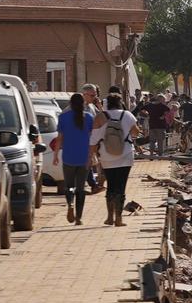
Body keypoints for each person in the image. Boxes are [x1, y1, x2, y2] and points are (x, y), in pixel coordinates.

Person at [50, 92, 95, 224]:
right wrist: (93, 155)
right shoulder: (89, 117)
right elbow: (92, 138)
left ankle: (70, 203)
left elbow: (59, 139)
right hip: (84, 156)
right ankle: (79, 218)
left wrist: (55, 155)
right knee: (81, 188)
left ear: (70, 104)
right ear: (83, 104)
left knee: (69, 185)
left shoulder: (63, 117)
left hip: (68, 156)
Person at [95, 90, 138, 226]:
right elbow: (136, 132)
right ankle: (119, 219)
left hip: (106, 156)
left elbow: (93, 139)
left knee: (111, 186)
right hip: (125, 155)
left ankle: (109, 217)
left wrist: (91, 155)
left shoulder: (101, 117)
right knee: (121, 186)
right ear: (120, 103)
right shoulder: (128, 115)